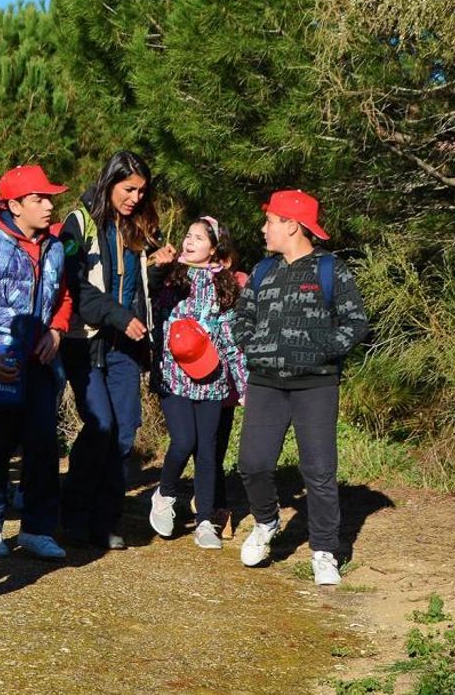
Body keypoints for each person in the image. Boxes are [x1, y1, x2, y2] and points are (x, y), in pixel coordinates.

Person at [233, 190, 369, 585]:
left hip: (316, 386)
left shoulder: (331, 269)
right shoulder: (262, 271)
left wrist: (321, 352)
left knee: (320, 472)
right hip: (265, 384)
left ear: (292, 225)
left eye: (270, 221)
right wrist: (254, 346)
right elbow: (243, 316)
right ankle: (265, 523)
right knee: (252, 464)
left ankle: (324, 551)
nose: (264, 228)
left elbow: (355, 322)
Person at [58, 151, 175, 550]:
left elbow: (139, 289)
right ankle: (74, 516)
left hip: (126, 345)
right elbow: (73, 285)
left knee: (124, 431)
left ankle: (106, 520)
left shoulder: (139, 227)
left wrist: (157, 269)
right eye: (128, 189)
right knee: (100, 427)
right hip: (86, 341)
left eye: (142, 191)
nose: (136, 198)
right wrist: (118, 315)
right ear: (109, 183)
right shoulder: (79, 223)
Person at [0, 165, 74, 561]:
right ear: (14, 205)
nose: (48, 206)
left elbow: (63, 297)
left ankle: (36, 529)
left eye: (50, 198)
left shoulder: (56, 247)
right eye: (38, 199)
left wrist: (58, 330)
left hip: (42, 362)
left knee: (44, 446)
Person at [147, 217, 248, 549]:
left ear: (214, 249)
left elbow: (232, 342)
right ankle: (164, 495)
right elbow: (155, 316)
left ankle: (205, 521)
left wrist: (243, 386)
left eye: (198, 238)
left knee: (207, 451)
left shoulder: (225, 286)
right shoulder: (171, 277)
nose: (189, 242)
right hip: (173, 376)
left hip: (212, 379)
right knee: (184, 441)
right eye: (187, 236)